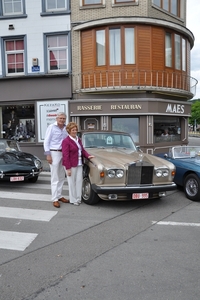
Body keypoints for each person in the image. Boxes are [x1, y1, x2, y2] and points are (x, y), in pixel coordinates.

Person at [62, 122, 94, 206]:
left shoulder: (78, 139)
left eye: (75, 130)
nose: (75, 131)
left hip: (79, 163)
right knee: (71, 182)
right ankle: (73, 200)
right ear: (69, 131)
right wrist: (68, 168)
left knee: (79, 181)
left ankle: (78, 198)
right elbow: (65, 156)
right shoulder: (66, 141)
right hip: (71, 165)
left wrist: (88, 156)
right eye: (73, 130)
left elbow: (82, 150)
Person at [43, 112, 69, 208]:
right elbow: (46, 142)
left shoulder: (66, 128)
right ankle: (54, 199)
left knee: (62, 176)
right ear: (56, 118)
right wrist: (48, 154)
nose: (62, 120)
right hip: (54, 153)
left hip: (64, 153)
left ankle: (59, 195)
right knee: (55, 177)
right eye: (60, 118)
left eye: (63, 118)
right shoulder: (51, 127)